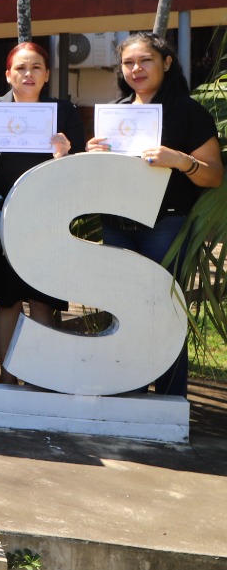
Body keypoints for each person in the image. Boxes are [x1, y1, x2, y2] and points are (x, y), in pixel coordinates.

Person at [88, 31, 223, 397]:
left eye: (145, 60)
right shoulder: (115, 112)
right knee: (121, 311)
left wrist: (181, 161)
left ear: (166, 63)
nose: (136, 69)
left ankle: (168, 397)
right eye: (128, 62)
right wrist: (94, 154)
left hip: (165, 226)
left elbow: (213, 175)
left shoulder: (187, 112)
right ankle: (124, 389)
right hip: (116, 225)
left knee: (164, 312)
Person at [0, 42, 85, 384]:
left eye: (35, 68)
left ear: (46, 75)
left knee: (42, 302)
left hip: (47, 217)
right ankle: (8, 374)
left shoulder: (64, 112)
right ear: (8, 74)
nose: (27, 74)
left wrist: (64, 152)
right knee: (8, 300)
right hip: (2, 214)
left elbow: (78, 169)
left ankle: (40, 376)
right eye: (20, 68)